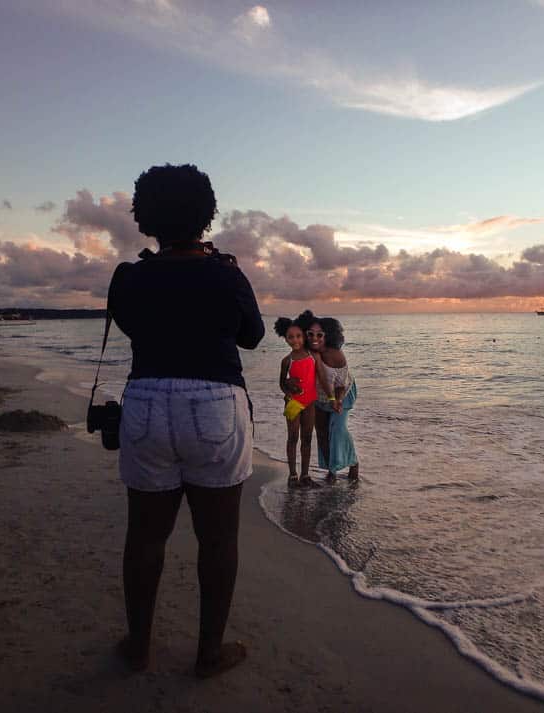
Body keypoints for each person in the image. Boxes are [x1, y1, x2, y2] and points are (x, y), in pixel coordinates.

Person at [107, 164, 264, 677]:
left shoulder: (130, 277)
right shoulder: (226, 273)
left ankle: (137, 646)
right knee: (218, 539)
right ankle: (209, 652)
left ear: (144, 216)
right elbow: (252, 336)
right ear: (206, 214)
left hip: (147, 399)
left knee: (145, 537)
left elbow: (132, 323)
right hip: (215, 402)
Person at [295, 310, 359, 481]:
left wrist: (336, 400)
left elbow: (341, 384)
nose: (314, 338)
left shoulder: (336, 356)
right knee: (322, 433)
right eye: (310, 334)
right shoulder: (306, 352)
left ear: (327, 336)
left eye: (319, 334)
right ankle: (332, 470)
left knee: (338, 429)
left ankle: (354, 463)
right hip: (319, 397)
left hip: (342, 394)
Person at [273, 318, 335, 487]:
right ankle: (293, 476)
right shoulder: (287, 361)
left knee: (307, 439)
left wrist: (332, 399)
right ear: (285, 339)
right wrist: (287, 392)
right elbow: (281, 382)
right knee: (293, 438)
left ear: (304, 337)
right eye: (291, 337)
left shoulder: (313, 356)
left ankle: (305, 475)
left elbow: (322, 378)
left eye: (299, 336)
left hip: (310, 404)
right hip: (293, 404)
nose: (295, 340)